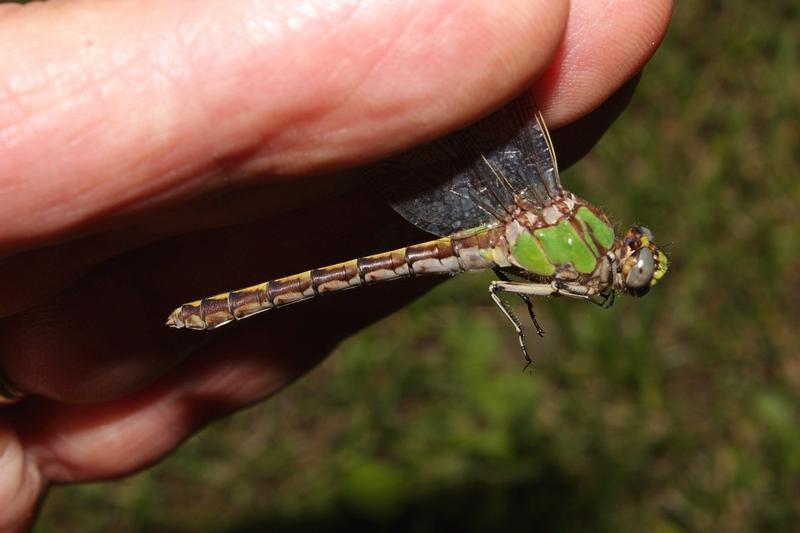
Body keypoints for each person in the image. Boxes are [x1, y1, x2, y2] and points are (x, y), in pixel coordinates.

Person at [0, 0, 672, 528]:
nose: (627, 263)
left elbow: (519, 284)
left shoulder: (574, 249)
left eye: (630, 266)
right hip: (493, 226)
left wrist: (542, 297)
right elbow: (513, 287)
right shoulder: (562, 225)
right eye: (631, 256)